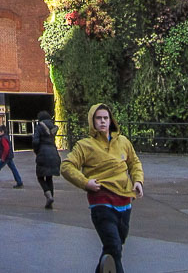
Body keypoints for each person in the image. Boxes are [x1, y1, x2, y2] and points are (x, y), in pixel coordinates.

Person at [61, 104, 145, 273]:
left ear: (111, 120)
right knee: (114, 246)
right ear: (92, 121)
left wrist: (138, 181)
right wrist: (85, 183)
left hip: (124, 201)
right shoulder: (85, 145)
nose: (102, 122)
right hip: (101, 202)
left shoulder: (123, 142)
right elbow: (66, 166)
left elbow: (134, 162)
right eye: (98, 118)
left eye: (105, 118)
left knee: (113, 248)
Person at [32, 110, 61, 209]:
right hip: (54, 153)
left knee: (40, 176)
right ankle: (50, 201)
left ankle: (48, 195)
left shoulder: (39, 127)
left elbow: (35, 142)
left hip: (43, 154)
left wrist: (36, 151)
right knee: (49, 177)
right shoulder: (53, 127)